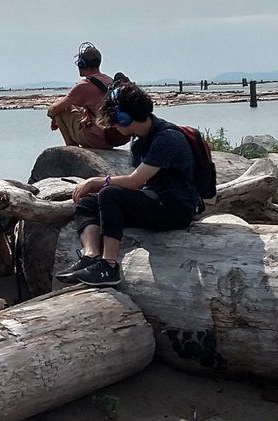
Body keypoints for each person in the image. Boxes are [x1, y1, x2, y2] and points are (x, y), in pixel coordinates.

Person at [56, 82, 199, 288]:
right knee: (88, 203)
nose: (113, 126)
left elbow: (135, 181)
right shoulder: (139, 139)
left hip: (176, 208)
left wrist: (99, 182)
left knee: (108, 194)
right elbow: (138, 184)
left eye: (114, 121)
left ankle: (109, 266)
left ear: (124, 118)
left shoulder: (167, 138)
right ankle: (91, 256)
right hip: (155, 199)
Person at [46, 42, 130, 150]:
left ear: (82, 64)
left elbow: (52, 110)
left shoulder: (83, 86)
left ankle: (72, 149)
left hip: (95, 138)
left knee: (61, 109)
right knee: (70, 106)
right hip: (111, 137)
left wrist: (54, 117)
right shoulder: (109, 80)